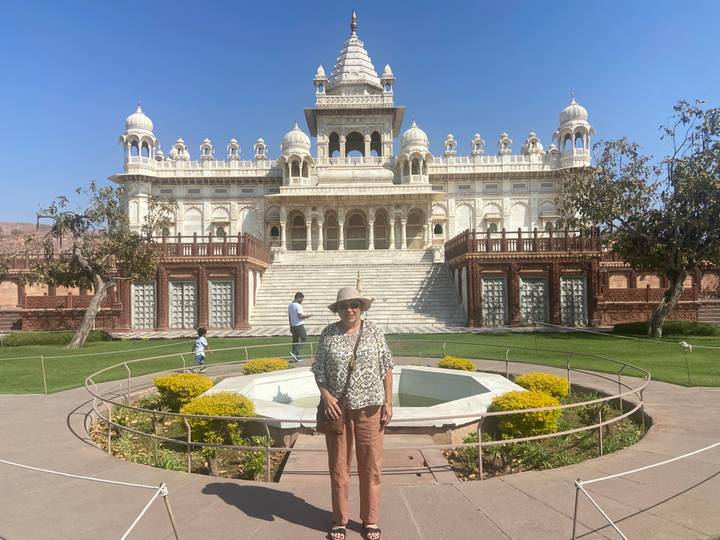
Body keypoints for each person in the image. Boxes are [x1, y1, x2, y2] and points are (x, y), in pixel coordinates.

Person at [311, 287, 394, 540]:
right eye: (344, 306)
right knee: (339, 467)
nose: (349, 310)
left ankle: (370, 519)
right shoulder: (328, 334)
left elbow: (387, 367)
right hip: (339, 410)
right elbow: (319, 371)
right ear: (337, 310)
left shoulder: (374, 332)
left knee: (371, 466)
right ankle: (340, 519)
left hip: (371, 408)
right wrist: (326, 396)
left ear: (362, 307)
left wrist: (388, 402)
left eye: (354, 305)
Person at [288, 292, 311, 362]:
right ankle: (295, 353)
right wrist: (307, 316)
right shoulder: (298, 306)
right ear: (298, 298)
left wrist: (290, 326)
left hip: (293, 325)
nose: (302, 301)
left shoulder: (290, 305)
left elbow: (289, 317)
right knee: (304, 339)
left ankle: (295, 356)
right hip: (299, 325)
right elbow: (300, 316)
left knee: (295, 341)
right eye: (301, 299)